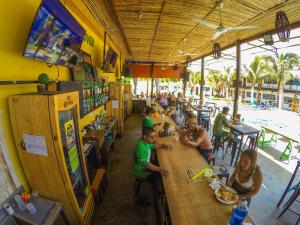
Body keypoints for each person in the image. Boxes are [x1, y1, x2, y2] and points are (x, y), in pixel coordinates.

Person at [133, 127, 170, 206]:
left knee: (158, 169)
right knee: (158, 176)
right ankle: (159, 198)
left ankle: (157, 194)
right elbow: (147, 165)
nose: (153, 139)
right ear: (144, 137)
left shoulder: (146, 142)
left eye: (154, 136)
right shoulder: (140, 147)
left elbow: (152, 146)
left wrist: (163, 145)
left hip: (145, 166)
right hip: (141, 171)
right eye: (151, 137)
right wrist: (160, 169)